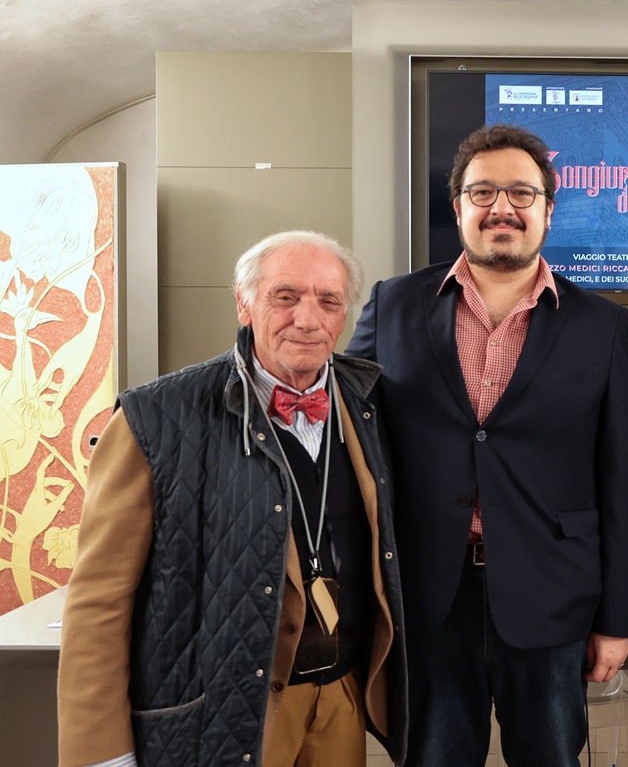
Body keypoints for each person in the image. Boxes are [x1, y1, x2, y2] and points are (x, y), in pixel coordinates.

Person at [347, 124, 628, 767]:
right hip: (426, 596)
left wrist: (618, 619)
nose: (501, 207)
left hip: (552, 593)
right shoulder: (392, 305)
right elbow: (352, 443)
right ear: (457, 208)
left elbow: (622, 479)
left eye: (520, 193)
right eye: (482, 192)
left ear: (547, 209)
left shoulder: (603, 325)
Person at [57, 231, 407, 767]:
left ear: (345, 317)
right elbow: (99, 604)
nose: (308, 319)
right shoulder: (154, 419)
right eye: (285, 297)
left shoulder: (370, 409)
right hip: (220, 713)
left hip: (339, 700)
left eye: (328, 300)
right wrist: (101, 754)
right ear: (244, 304)